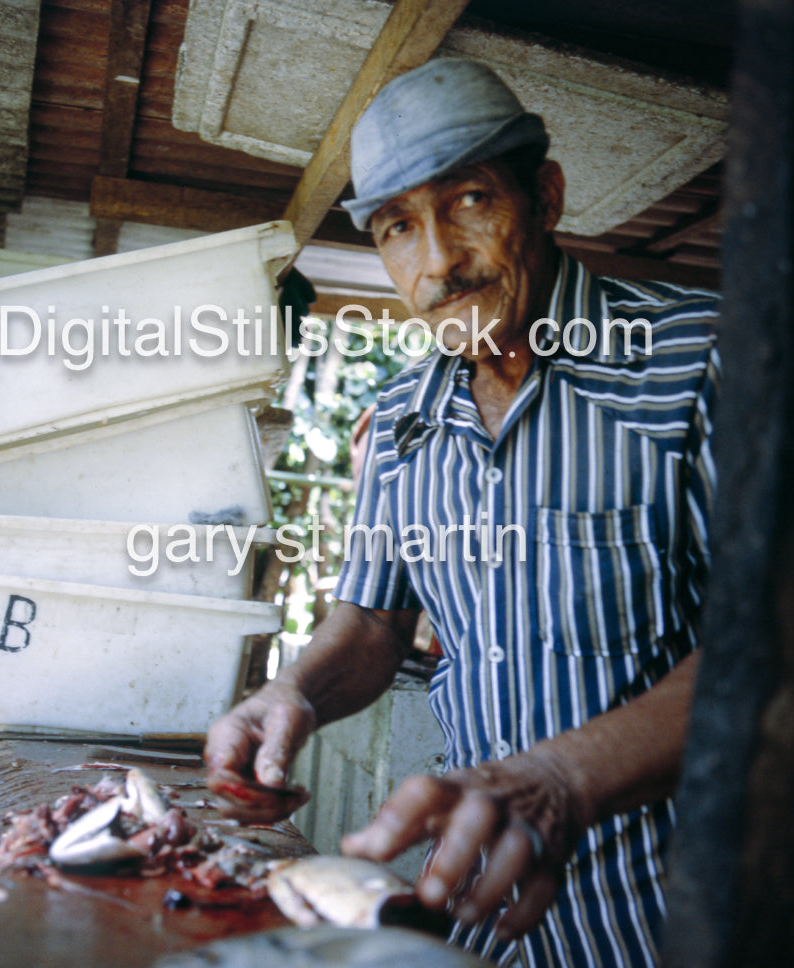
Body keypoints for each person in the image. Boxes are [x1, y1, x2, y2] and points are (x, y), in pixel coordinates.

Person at [206, 59, 719, 967]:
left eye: (471, 200)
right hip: (485, 918)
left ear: (546, 195)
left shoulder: (703, 364)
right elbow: (371, 618)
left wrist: (561, 779)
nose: (438, 261)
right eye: (399, 228)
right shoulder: (402, 420)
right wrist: (292, 692)